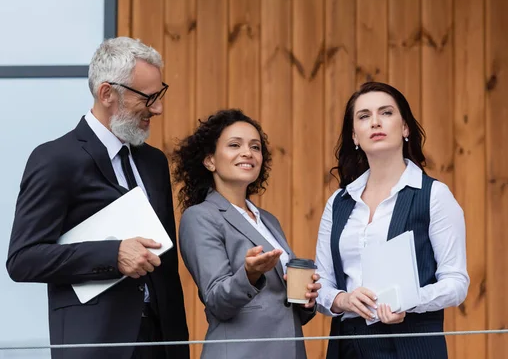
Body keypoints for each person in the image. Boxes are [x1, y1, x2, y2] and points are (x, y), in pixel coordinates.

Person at [6, 37, 189, 359]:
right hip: (95, 343)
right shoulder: (55, 159)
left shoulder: (154, 162)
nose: (158, 108)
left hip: (161, 342)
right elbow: (23, 260)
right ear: (107, 94)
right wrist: (112, 254)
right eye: (148, 97)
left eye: (160, 94)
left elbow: (165, 262)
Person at [315, 82, 469, 358]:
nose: (375, 122)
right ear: (354, 136)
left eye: (386, 113)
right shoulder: (337, 203)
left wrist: (408, 301)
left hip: (413, 347)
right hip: (347, 346)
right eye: (364, 116)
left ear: (405, 127)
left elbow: (456, 283)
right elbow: (322, 283)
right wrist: (343, 299)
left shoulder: (434, 195)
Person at [173, 109, 321, 359]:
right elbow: (217, 300)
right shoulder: (200, 217)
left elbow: (283, 303)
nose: (248, 153)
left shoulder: (268, 220)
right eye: (234, 145)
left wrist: (306, 300)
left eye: (255, 147)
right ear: (209, 161)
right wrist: (249, 274)